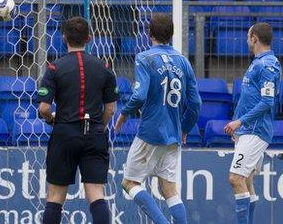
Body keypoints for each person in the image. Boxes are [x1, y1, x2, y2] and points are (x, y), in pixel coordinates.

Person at [114, 14, 201, 224]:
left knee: (129, 183)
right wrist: (185, 128)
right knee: (168, 189)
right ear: (171, 35)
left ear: (149, 33)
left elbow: (140, 95)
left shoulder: (145, 58)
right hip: (173, 133)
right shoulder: (183, 61)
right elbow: (196, 102)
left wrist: (124, 114)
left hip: (150, 132)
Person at [37, 16, 118, 224]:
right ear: (89, 38)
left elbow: (44, 108)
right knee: (97, 194)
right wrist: (99, 126)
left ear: (64, 38)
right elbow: (110, 108)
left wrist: (51, 120)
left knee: (55, 196)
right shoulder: (104, 67)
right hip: (94, 134)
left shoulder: (55, 68)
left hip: (65, 133)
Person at [223, 22, 281, 224]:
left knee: (235, 178)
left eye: (248, 36)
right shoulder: (258, 62)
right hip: (247, 130)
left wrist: (239, 121)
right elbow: (249, 98)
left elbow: (267, 102)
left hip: (255, 130)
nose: (247, 40)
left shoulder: (267, 65)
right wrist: (239, 127)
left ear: (254, 38)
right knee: (247, 180)